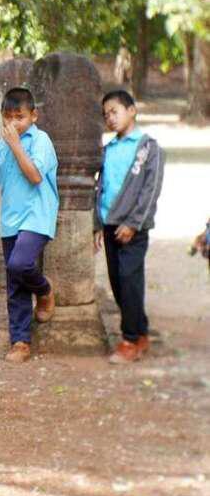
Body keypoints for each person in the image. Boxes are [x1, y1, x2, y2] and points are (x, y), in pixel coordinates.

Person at [94, 90, 165, 364]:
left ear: (132, 110)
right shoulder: (109, 149)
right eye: (106, 115)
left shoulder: (148, 148)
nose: (110, 118)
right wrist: (97, 224)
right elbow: (100, 188)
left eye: (115, 111)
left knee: (129, 280)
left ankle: (129, 340)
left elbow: (150, 190)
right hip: (110, 225)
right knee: (118, 283)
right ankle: (141, 332)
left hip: (133, 229)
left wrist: (134, 224)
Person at [0, 88, 59, 364]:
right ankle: (20, 341)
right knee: (14, 281)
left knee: (20, 264)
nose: (14, 123)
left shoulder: (41, 140)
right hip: (11, 217)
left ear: (33, 116)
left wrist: (16, 146)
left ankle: (44, 290)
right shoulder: (1, 145)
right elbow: (2, 184)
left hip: (37, 215)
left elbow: (34, 176)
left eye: (19, 117)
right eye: (8, 117)